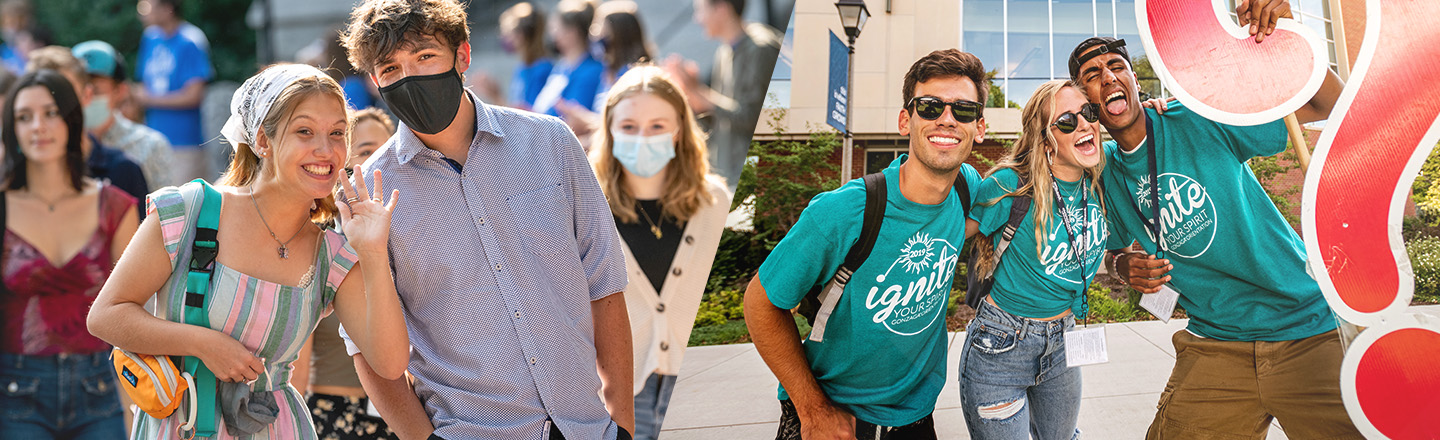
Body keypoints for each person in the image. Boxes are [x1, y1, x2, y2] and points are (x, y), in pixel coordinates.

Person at [339, 0, 634, 438]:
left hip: (588, 428)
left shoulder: (551, 144)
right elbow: (367, 350)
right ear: (374, 79)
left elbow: (605, 287)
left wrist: (622, 423)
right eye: (390, 69)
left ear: (463, 55)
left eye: (424, 57)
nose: (410, 78)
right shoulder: (366, 197)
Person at [1068, 9, 1359, 438]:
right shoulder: (1102, 174)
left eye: (1117, 66)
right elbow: (1094, 251)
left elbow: (1328, 103)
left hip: (1308, 327)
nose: (1109, 76)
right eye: (1093, 74)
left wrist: (1286, 38)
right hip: (1216, 345)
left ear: (1134, 81)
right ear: (1085, 101)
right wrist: (1120, 267)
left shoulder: (1199, 117)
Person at [86, 63, 410, 439]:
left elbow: (389, 364)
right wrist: (203, 343)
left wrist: (371, 252)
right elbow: (106, 316)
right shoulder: (190, 210)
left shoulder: (332, 253)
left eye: (337, 133)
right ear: (262, 141)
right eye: (304, 131)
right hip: (184, 426)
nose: (326, 150)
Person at [743, 49, 986, 440]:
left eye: (963, 109)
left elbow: (1028, 194)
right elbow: (761, 302)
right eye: (929, 106)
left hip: (916, 417)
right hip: (835, 416)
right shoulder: (844, 212)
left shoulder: (967, 189)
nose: (947, 118)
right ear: (905, 120)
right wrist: (812, 408)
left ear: (980, 127)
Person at [959, 80, 1107, 440]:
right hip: (1001, 345)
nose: (1085, 124)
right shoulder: (1011, 185)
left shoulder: (1101, 181)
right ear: (1045, 141)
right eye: (1067, 121)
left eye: (1088, 113)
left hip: (1063, 340)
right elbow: (945, 236)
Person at [589, 65, 729, 440]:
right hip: (617, 396)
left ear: (679, 131)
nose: (642, 138)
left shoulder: (716, 203)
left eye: (657, 127)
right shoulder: (583, 206)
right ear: (611, 131)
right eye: (629, 127)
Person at [0, 69, 138, 440]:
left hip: (101, 386)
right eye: (23, 117)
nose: (38, 127)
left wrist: (133, 407)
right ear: (11, 130)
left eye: (50, 112)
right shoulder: (2, 206)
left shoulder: (116, 207)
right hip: (15, 389)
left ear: (71, 118)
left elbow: (135, 314)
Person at [289, 107, 400, 440]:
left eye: (382, 150)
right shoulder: (319, 243)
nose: (372, 164)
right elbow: (295, 357)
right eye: (361, 153)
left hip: (408, 413)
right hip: (334, 411)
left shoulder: (417, 238)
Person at [665, 0, 780, 190]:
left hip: (750, 177)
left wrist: (702, 94)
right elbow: (718, 120)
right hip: (727, 172)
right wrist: (692, 95)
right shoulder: (724, 51)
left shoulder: (761, 48)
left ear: (721, 9)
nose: (697, 19)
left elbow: (755, 118)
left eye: (700, 11)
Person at [26, 46, 149, 203]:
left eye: (63, 94)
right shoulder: (13, 174)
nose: (53, 106)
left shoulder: (123, 171)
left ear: (87, 95)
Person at [73, 40, 179, 189]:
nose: (86, 99)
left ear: (120, 91)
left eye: (95, 91)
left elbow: (167, 209)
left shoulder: (150, 146)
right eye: (79, 91)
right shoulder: (58, 144)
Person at [556, 1, 653, 151]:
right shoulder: (608, 71)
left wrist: (584, 119)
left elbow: (625, 127)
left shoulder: (632, 76)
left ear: (617, 34)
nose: (594, 34)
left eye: (600, 27)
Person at [136, 0, 214, 183]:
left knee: (184, 207)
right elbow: (144, 83)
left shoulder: (190, 40)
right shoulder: (150, 37)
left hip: (184, 144)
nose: (142, 12)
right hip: (153, 139)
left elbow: (194, 95)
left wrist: (149, 99)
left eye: (148, 6)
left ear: (167, 9)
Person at [532, 0, 604, 117]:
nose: (552, 36)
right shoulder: (561, 67)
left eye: (556, 29)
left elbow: (572, 121)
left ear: (572, 32)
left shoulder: (591, 71)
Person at [499, 2, 554, 110]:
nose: (504, 37)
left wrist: (496, 96)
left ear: (521, 35)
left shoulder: (542, 70)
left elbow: (531, 117)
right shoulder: (522, 68)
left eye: (508, 32)